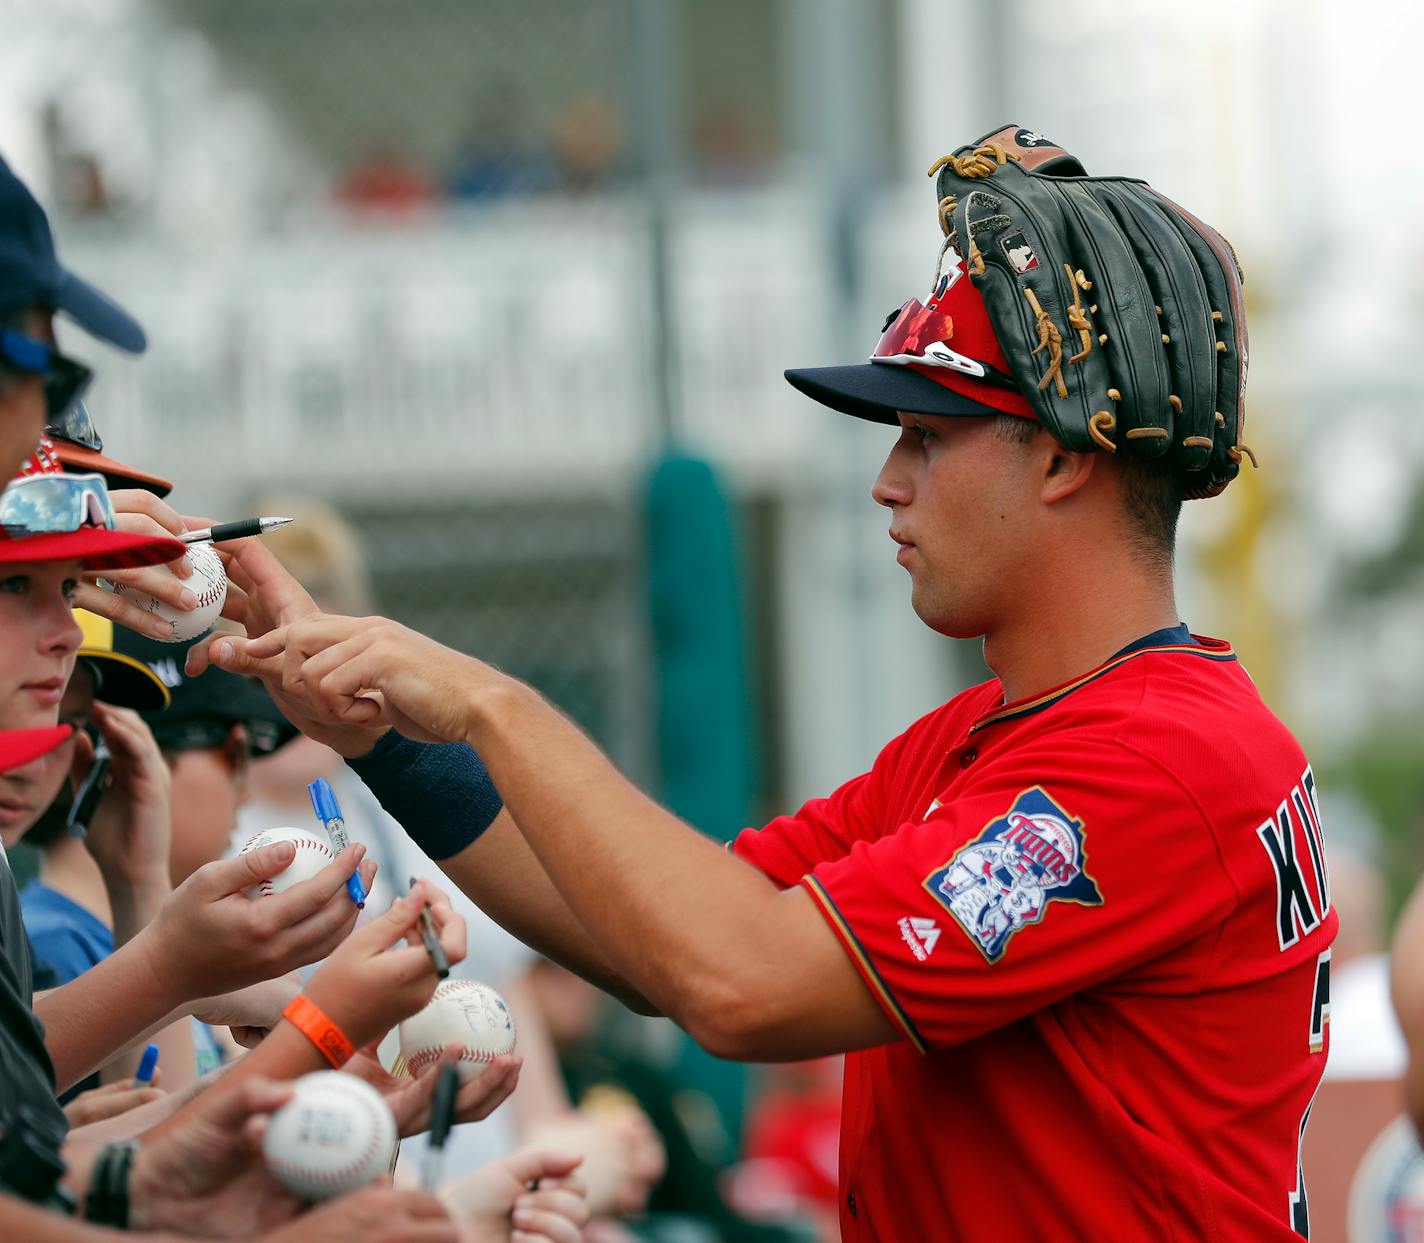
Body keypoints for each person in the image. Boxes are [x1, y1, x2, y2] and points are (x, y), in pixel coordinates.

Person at [197, 126, 1335, 1239]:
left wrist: (494, 705)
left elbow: (736, 985)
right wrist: (377, 731)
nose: (888, 483)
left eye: (929, 434)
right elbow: (650, 940)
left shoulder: (1152, 758)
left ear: (1061, 454)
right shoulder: (990, 738)